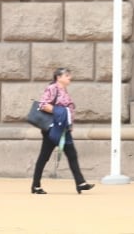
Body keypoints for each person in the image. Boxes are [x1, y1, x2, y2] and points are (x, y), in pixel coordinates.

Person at [31, 67, 94, 195]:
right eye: (66, 75)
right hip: (53, 129)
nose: (69, 77)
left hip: (63, 130)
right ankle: (35, 185)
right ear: (58, 77)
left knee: (72, 155)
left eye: (69, 75)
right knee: (44, 157)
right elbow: (43, 104)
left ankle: (80, 183)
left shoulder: (63, 90)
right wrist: (59, 111)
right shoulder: (52, 88)